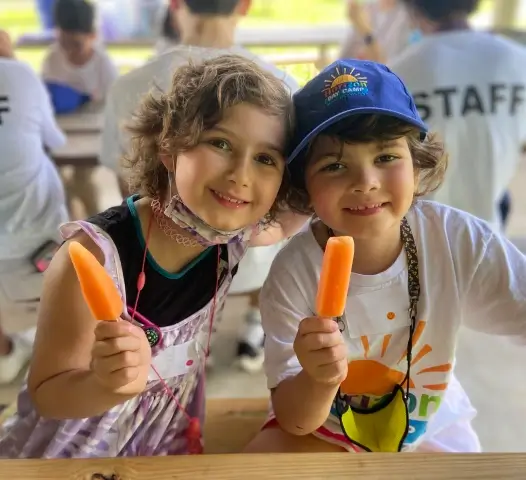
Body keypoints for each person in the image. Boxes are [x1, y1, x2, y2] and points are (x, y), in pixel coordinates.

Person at [0, 54, 308, 458]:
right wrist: (102, 383)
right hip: (74, 455)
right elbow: (48, 394)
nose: (241, 174)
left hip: (166, 443)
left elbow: (289, 219)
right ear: (169, 145)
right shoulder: (92, 258)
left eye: (266, 159)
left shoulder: (231, 238)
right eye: (220, 143)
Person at [244, 58, 526, 454]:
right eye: (335, 165)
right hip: (322, 426)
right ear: (302, 187)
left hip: (428, 421)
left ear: (416, 162)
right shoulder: (294, 273)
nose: (366, 182)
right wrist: (318, 379)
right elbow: (295, 418)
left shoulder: (457, 241)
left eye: (386, 158)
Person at [101, 0, 300, 372]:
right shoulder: (286, 87)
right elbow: (293, 196)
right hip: (252, 263)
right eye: (220, 143)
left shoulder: (127, 86)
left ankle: (194, 341)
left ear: (175, 5)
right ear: (245, 6)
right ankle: (253, 324)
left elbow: (124, 183)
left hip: (158, 268)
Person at [388, 0, 526, 231]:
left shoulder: (398, 74)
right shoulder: (517, 60)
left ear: (413, 8)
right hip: (490, 227)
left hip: (422, 229)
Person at [0, 31, 68, 384]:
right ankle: (64, 350)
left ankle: (4, 356)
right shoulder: (20, 75)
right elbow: (55, 139)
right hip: (38, 237)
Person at [42, 0, 119, 106]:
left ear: (92, 36)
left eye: (76, 45)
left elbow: (114, 103)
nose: (69, 51)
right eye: (64, 43)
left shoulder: (103, 64)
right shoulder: (52, 59)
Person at [340, 0, 413, 63]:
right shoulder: (367, 10)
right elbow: (342, 60)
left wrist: (363, 29)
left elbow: (387, 69)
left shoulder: (408, 16)